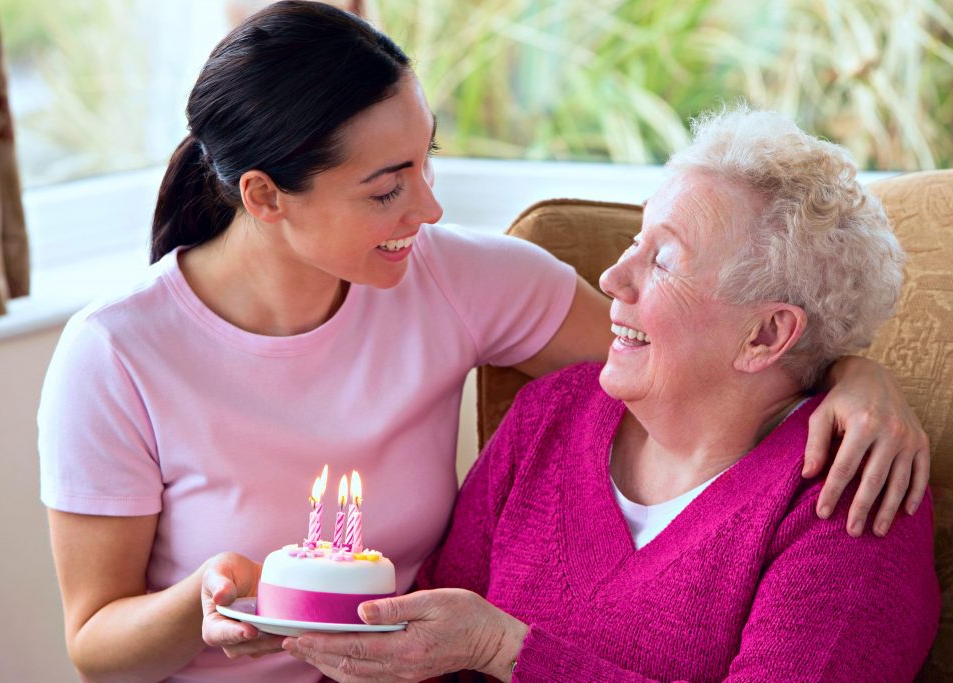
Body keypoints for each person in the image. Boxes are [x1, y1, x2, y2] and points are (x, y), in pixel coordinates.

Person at [37, 3, 928, 681]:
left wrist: (855, 375)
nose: (427, 209)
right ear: (265, 196)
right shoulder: (114, 353)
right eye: (386, 188)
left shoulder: (468, 280)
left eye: (428, 160)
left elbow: (725, 360)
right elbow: (94, 643)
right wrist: (205, 598)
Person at [282, 107, 941, 682]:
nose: (612, 276)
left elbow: (476, 643)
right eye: (636, 240)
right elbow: (428, 655)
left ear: (765, 334)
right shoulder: (551, 415)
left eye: (663, 260)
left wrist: (505, 650)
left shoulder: (848, 499)